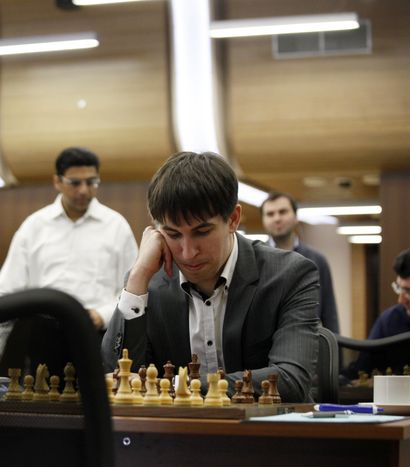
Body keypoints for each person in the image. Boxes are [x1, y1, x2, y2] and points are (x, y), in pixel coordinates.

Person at [102, 151, 320, 403]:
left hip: (263, 426)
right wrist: (138, 277)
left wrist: (174, 385)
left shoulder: (289, 275)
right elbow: (114, 378)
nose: (188, 252)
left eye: (202, 232)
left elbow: (291, 381)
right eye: (173, 234)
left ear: (233, 219)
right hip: (174, 428)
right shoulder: (149, 282)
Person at [0, 147, 138, 376]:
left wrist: (101, 315)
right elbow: (6, 291)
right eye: (75, 183)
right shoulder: (34, 226)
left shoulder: (117, 226)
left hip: (98, 336)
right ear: (57, 181)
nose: (84, 190)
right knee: (43, 397)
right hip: (44, 338)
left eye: (91, 182)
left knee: (95, 399)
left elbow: (132, 290)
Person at [261, 192, 340, 333]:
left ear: (296, 216)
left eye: (283, 212)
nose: (277, 218)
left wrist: (335, 345)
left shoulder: (317, 260)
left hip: (309, 339)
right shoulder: (255, 259)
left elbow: (329, 313)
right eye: (270, 214)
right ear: (263, 220)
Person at [349, 244, 410, 376]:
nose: (401, 300)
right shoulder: (389, 320)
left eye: (409, 292)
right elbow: (361, 371)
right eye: (399, 288)